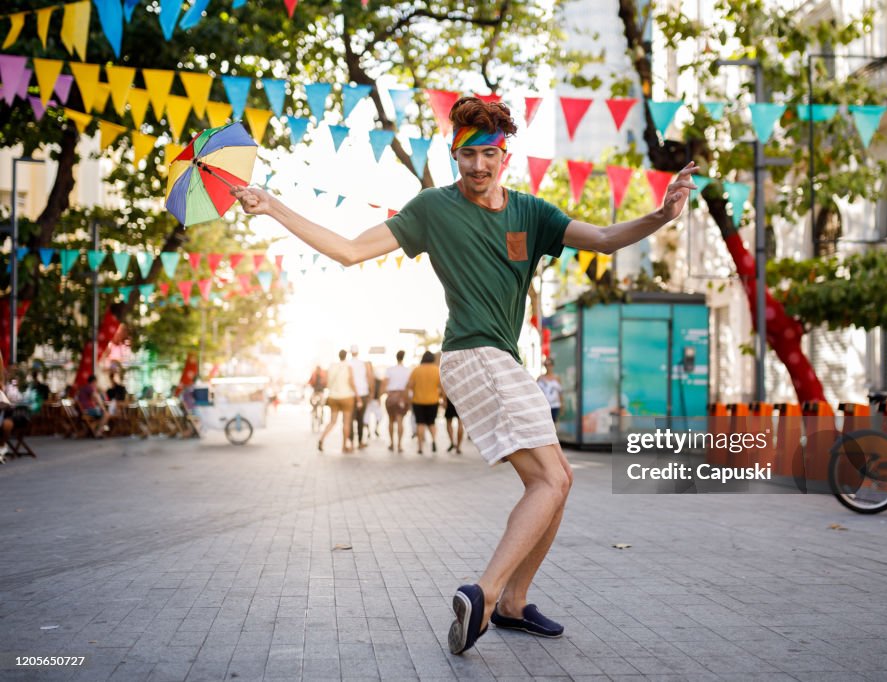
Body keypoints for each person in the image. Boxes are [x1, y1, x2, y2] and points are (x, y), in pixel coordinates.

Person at [232, 95, 698, 655]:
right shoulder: (434, 208)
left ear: (506, 155)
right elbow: (351, 251)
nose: (477, 166)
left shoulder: (533, 213)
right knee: (553, 480)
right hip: (474, 355)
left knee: (554, 484)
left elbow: (600, 238)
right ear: (455, 152)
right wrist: (273, 205)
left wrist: (660, 215)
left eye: (488, 154)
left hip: (501, 358)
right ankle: (484, 593)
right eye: (466, 154)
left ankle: (514, 604)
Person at [319, 349, 358, 453]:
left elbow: (326, 382)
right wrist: (357, 397)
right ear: (346, 356)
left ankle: (321, 439)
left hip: (333, 397)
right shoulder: (348, 366)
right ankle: (344, 446)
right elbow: (351, 382)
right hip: (346, 397)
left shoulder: (331, 367)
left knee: (332, 421)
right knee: (346, 423)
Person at [406, 351, 441, 455]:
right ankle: (434, 440)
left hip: (418, 401)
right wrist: (443, 398)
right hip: (433, 401)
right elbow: (441, 387)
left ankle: (420, 447)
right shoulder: (436, 370)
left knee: (420, 424)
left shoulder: (416, 370)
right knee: (431, 423)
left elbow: (410, 386)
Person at [381, 350, 411, 453]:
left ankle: (391, 443)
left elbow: (384, 384)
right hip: (402, 396)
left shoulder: (390, 370)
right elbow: (408, 386)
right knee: (400, 421)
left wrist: (386, 392)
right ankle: (399, 445)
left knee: (390, 420)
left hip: (391, 396)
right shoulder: (407, 370)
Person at [348, 345, 374, 449]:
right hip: (363, 394)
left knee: (350, 419)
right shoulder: (364, 364)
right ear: (358, 353)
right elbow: (370, 378)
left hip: (350, 394)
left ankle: (350, 442)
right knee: (360, 419)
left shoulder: (347, 364)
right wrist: (372, 392)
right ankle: (359, 442)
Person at [537, 358, 562, 423]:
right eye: (546, 364)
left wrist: (562, 404)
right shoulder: (540, 378)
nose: (548, 366)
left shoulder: (557, 378)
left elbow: (560, 392)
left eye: (549, 364)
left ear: (552, 365)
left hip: (555, 405)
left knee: (554, 423)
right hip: (543, 405)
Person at [443, 388, 465, 454]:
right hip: (461, 400)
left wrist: (444, 400)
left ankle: (452, 442)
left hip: (450, 398)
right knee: (460, 423)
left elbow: (444, 388)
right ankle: (458, 447)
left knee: (449, 422)